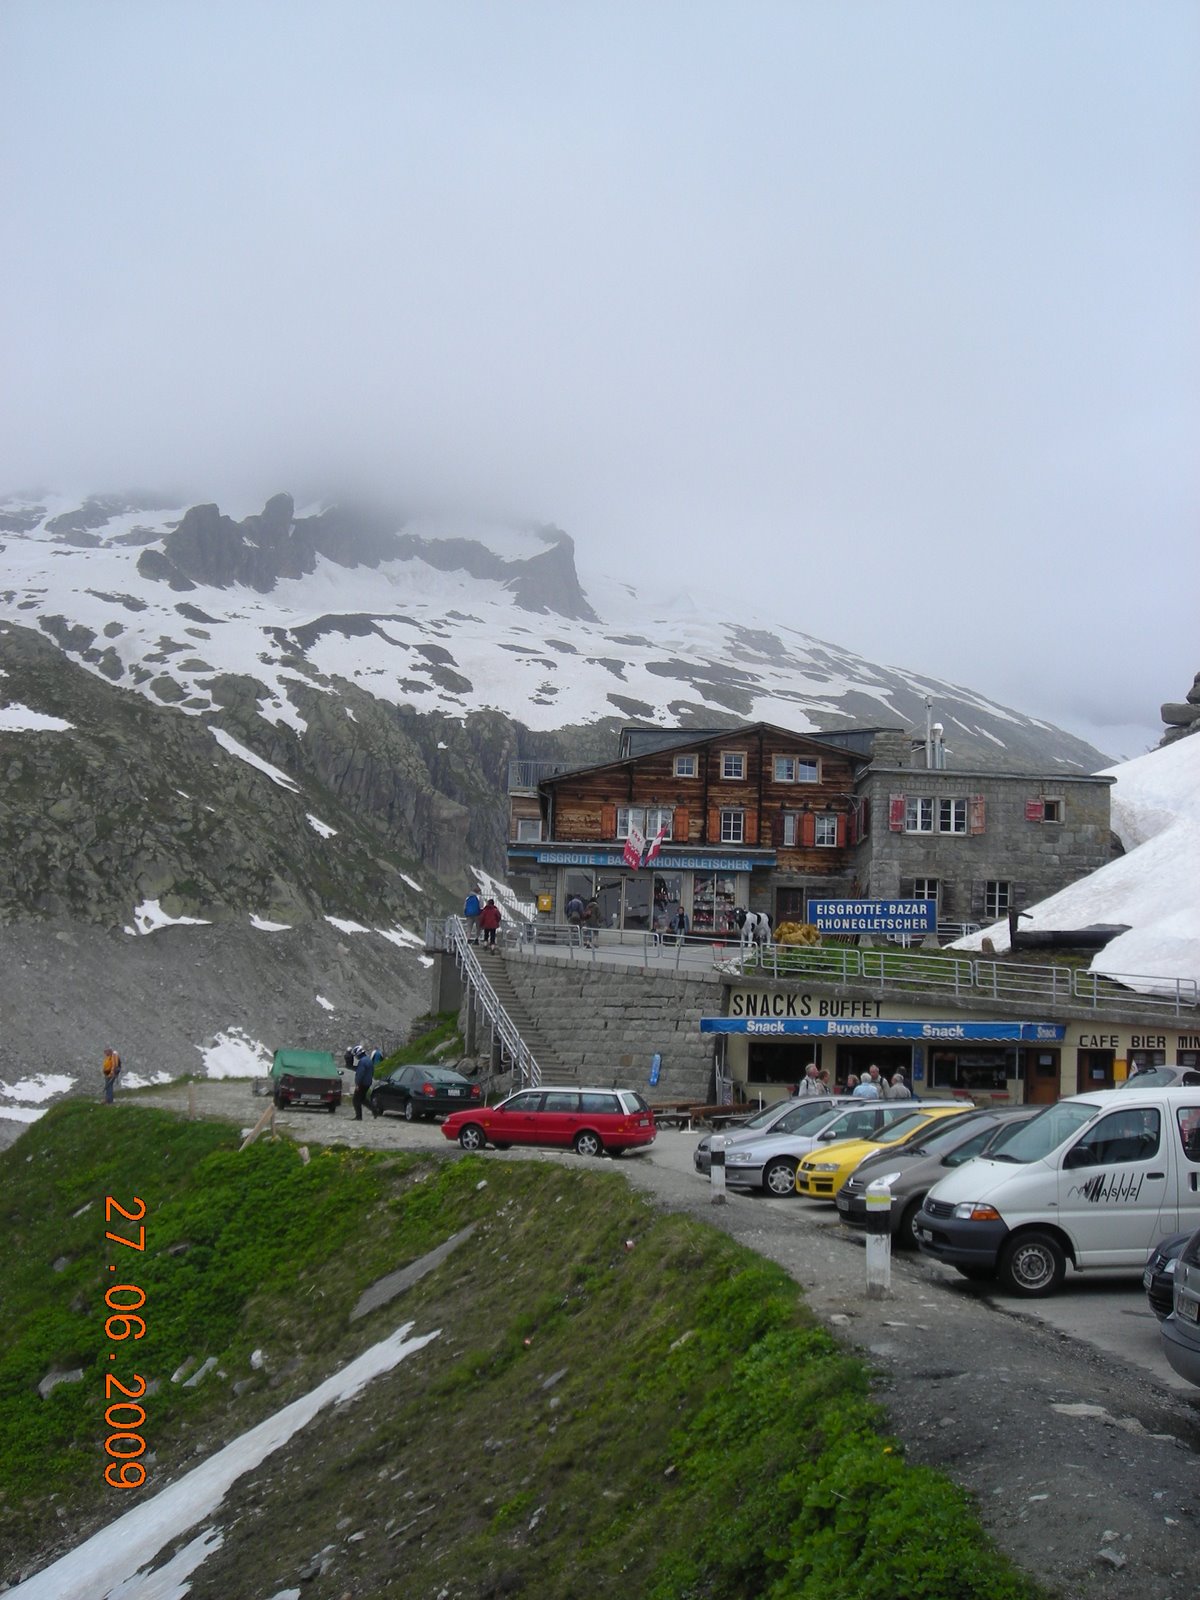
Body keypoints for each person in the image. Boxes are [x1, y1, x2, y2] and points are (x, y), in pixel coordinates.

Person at [352, 1045, 375, 1120]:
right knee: (362, 1099)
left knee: (356, 1100)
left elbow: (360, 1074)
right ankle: (374, 1109)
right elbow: (372, 1072)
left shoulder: (362, 1062)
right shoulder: (369, 1060)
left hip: (362, 1083)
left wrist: (357, 1084)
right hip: (368, 1083)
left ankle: (358, 1116)